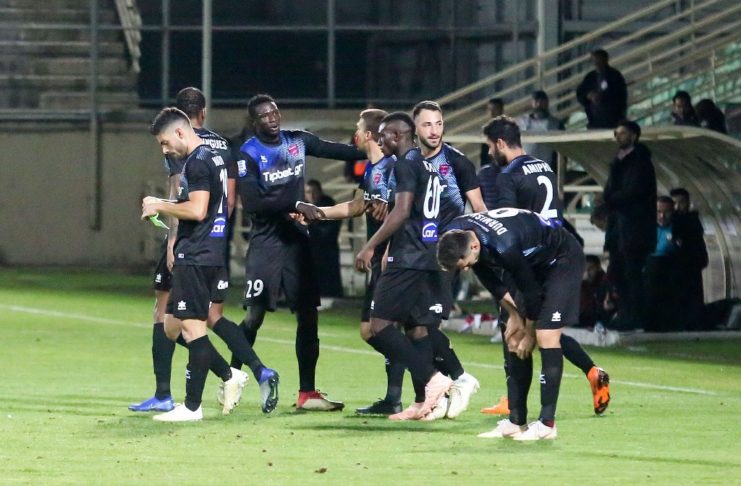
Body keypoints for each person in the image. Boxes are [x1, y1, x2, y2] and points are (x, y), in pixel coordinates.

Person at [130, 89, 280, 417]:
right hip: (211, 249)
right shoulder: (218, 153)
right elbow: (225, 203)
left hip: (195, 253)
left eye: (165, 143)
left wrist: (160, 205)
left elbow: (197, 209)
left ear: (180, 131)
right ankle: (232, 375)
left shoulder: (195, 162)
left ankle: (193, 405)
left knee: (193, 329)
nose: (165, 150)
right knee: (173, 327)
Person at [235, 94, 366, 411]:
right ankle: (232, 379)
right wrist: (295, 203)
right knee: (254, 316)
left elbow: (339, 151)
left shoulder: (297, 141)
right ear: (254, 122)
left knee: (308, 315)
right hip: (266, 242)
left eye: (275, 112)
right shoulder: (248, 153)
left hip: (297, 242)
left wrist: (376, 149)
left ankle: (307, 393)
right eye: (264, 115)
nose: (272, 118)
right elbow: (253, 202)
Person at [477, 115, 610, 417]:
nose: (489, 153)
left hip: (529, 257)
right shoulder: (543, 166)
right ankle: (592, 371)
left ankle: (515, 401)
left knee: (513, 324)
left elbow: (509, 223)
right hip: (554, 251)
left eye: (490, 146)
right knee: (546, 330)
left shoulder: (507, 176)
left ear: (500, 143)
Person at [439, 208, 585, 440]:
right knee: (513, 338)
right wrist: (514, 315)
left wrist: (530, 333)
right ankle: (516, 422)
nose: (465, 269)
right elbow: (489, 278)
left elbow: (531, 292)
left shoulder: (503, 246)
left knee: (546, 335)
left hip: (561, 258)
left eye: (464, 264)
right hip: (532, 261)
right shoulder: (457, 233)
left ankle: (547, 425)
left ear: (474, 246)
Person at [353, 112, 455, 421]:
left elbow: (400, 212)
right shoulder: (428, 165)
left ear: (397, 136)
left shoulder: (404, 165)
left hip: (407, 258)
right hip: (426, 255)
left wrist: (371, 246)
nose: (379, 140)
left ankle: (433, 378)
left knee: (379, 326)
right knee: (416, 328)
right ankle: (422, 402)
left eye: (383, 135)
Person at [318, 108, 404, 415]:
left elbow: (401, 213)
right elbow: (357, 206)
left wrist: (385, 250)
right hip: (379, 257)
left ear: (368, 135)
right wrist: (317, 213)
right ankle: (414, 380)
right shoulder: (371, 169)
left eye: (357, 127)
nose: (353, 133)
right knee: (371, 330)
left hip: (393, 258)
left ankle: (423, 380)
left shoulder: (394, 167)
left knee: (384, 328)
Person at [411, 100, 487, 419]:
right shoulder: (410, 162)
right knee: (413, 325)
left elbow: (480, 209)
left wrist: (477, 250)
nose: (434, 130)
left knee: (425, 325)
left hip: (444, 256)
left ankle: (457, 379)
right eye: (427, 124)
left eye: (439, 123)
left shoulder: (457, 162)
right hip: (414, 253)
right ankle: (432, 395)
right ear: (416, 128)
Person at [603, 120, 657, 330]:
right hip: (619, 230)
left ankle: (635, 318)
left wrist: (610, 199)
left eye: (623, 133)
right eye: (616, 133)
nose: (618, 137)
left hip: (634, 230)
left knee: (632, 274)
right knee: (618, 273)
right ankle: (625, 315)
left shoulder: (641, 161)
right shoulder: (618, 160)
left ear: (634, 136)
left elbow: (634, 192)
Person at [669, 188, 709, 329]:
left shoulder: (691, 222)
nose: (677, 207)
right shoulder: (672, 222)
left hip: (690, 266)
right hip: (682, 267)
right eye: (674, 203)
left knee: (691, 299)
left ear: (687, 203)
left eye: (681, 203)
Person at [305, 179, 343, 299]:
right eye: (308, 192)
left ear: (320, 192)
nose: (312, 195)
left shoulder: (329, 205)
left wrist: (313, 228)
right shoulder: (303, 207)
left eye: (314, 192)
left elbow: (330, 229)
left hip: (326, 249)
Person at [576, 49, 627, 129]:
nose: (597, 64)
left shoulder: (615, 76)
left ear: (606, 61)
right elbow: (580, 93)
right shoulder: (590, 77)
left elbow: (621, 98)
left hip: (612, 121)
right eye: (596, 62)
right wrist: (588, 95)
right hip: (594, 122)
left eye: (600, 62)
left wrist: (603, 97)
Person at [516, 90, 564, 169]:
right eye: (536, 101)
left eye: (542, 102)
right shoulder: (521, 122)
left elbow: (562, 150)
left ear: (547, 103)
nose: (539, 104)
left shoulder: (555, 124)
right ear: (532, 103)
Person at [480, 97, 505, 167]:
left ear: (501, 110)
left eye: (495, 109)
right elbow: (484, 154)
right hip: (490, 166)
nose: (491, 112)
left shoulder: (508, 127)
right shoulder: (486, 129)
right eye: (489, 109)